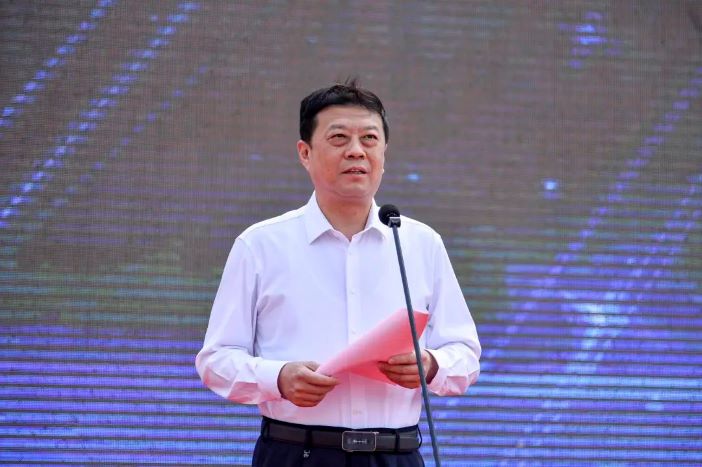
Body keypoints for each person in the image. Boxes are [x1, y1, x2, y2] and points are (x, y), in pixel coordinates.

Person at [196, 80, 481, 467]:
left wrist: (431, 365)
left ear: (384, 153)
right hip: (297, 453)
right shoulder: (260, 244)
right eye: (339, 138)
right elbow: (216, 360)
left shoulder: (420, 243)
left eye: (369, 138)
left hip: (395, 456)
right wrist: (277, 377)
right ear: (305, 153)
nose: (356, 151)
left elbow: (465, 355)